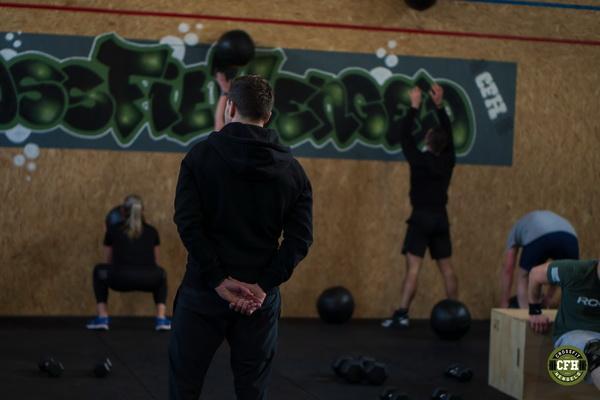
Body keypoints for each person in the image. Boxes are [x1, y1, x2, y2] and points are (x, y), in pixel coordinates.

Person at [170, 74, 313, 400]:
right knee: (252, 392)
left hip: (204, 291)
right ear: (269, 115)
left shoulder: (200, 156)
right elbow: (299, 240)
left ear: (231, 106)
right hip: (257, 300)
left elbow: (188, 224)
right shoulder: (294, 171)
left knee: (184, 388)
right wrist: (262, 287)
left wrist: (219, 279)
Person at [382, 84, 458, 329]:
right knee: (446, 268)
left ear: (427, 140)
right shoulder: (448, 161)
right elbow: (448, 132)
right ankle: (455, 311)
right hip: (440, 218)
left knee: (413, 269)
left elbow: (404, 136)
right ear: (445, 146)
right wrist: (438, 105)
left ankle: (402, 313)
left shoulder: (418, 160)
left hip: (421, 218)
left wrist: (415, 106)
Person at [86, 195, 171, 331]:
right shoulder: (152, 231)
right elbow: (155, 262)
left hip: (121, 278)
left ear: (123, 211)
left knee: (99, 270)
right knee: (161, 274)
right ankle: (161, 318)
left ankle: (102, 317)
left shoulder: (112, 230)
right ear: (142, 211)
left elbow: (108, 262)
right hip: (149, 278)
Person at [528, 259, 600, 389]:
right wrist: (535, 311)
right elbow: (535, 274)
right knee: (596, 352)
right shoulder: (574, 271)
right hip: (572, 338)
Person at [500, 210, 579, 308]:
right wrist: (549, 297)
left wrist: (504, 302)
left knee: (524, 276)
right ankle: (549, 304)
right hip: (571, 237)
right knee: (563, 273)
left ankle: (527, 316)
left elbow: (508, 268)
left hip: (539, 235)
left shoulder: (515, 230)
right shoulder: (542, 220)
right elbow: (559, 273)